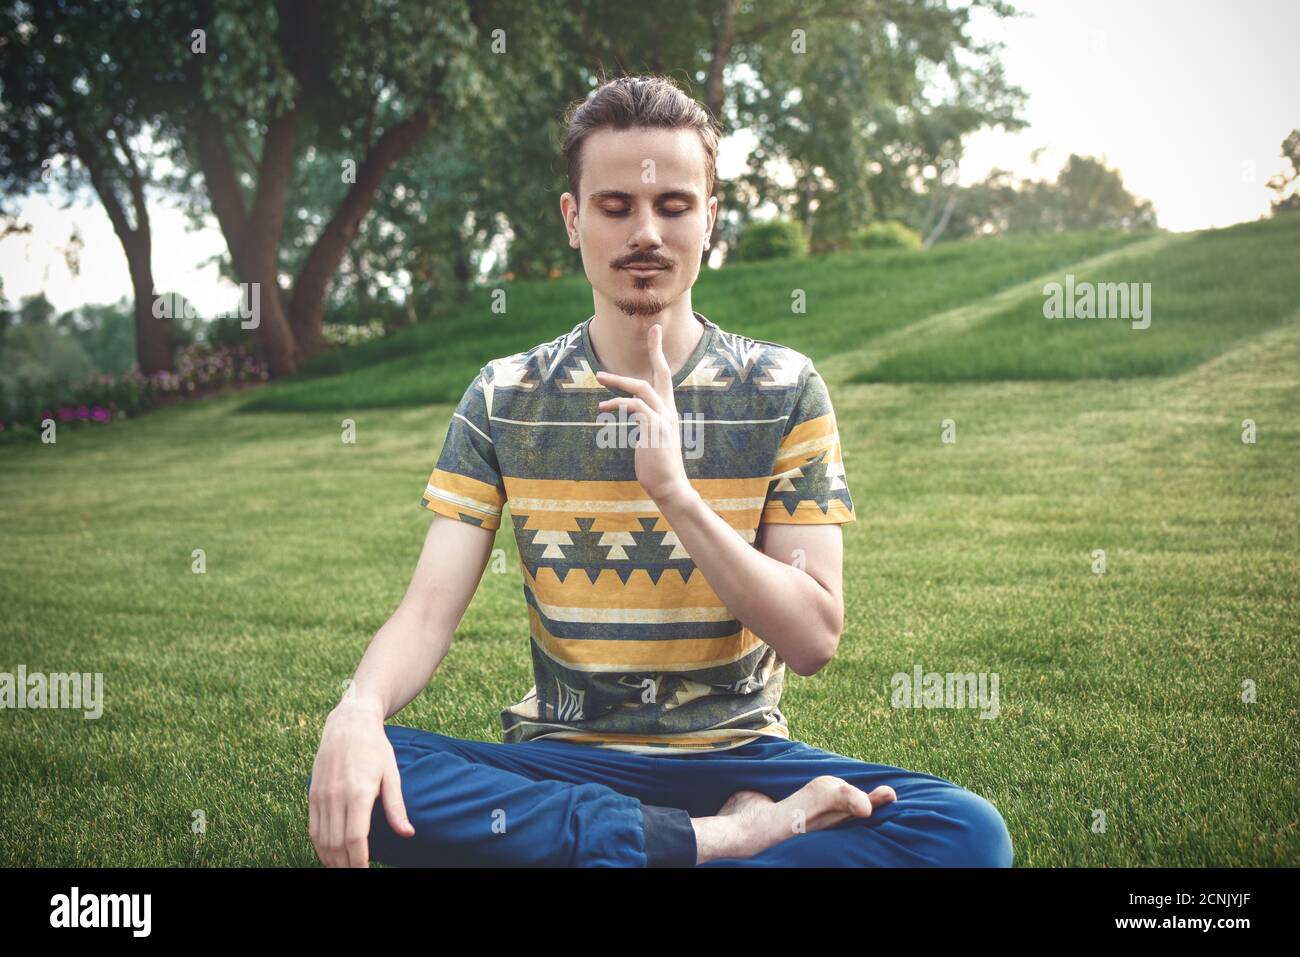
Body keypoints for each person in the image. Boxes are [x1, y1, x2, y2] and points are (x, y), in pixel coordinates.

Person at [307, 74, 1014, 868]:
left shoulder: (785, 390)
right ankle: (728, 844)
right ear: (574, 220)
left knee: (965, 832)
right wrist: (358, 709)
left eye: (673, 206)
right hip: (571, 755)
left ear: (709, 219)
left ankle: (633, 850)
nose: (646, 231)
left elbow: (813, 636)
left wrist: (675, 493)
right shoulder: (503, 397)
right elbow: (427, 612)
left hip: (738, 760)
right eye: (616, 207)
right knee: (373, 779)